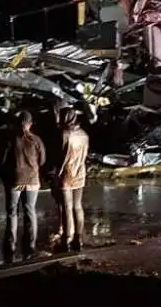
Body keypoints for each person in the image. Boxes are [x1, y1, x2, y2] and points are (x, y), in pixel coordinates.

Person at [0, 110, 45, 262]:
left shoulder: (11, 140)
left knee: (12, 213)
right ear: (30, 124)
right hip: (32, 180)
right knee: (30, 211)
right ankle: (30, 246)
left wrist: (4, 176)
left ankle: (11, 246)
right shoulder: (36, 140)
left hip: (14, 181)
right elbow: (43, 160)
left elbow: (2, 162)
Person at [54, 108, 89, 252]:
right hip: (80, 172)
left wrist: (57, 173)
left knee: (67, 207)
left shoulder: (65, 134)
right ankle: (78, 239)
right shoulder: (84, 134)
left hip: (67, 173)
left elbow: (62, 157)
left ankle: (66, 239)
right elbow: (85, 155)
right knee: (78, 206)